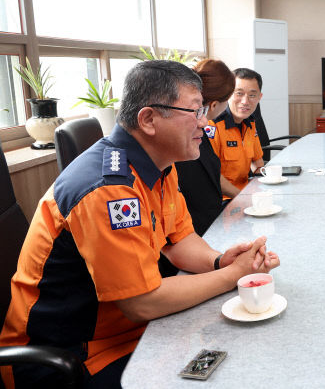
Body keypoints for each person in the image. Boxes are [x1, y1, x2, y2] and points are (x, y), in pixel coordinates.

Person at [0, 60, 280, 388]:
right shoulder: (109, 189)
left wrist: (220, 261)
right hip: (71, 355)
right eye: (195, 111)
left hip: (132, 333)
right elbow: (142, 301)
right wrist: (233, 275)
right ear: (148, 119)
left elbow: (179, 240)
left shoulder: (160, 164)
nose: (205, 124)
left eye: (203, 110)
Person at [175, 59, 235, 236]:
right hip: (198, 234)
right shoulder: (186, 142)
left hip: (209, 226)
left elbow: (213, 177)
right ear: (214, 105)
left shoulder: (198, 132)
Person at [208, 68, 265, 200]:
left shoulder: (250, 123)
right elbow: (213, 175)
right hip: (223, 200)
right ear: (228, 94)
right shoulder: (213, 126)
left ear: (259, 97)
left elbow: (257, 162)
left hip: (246, 193)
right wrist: (244, 197)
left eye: (252, 95)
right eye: (239, 93)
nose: (245, 101)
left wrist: (266, 184)